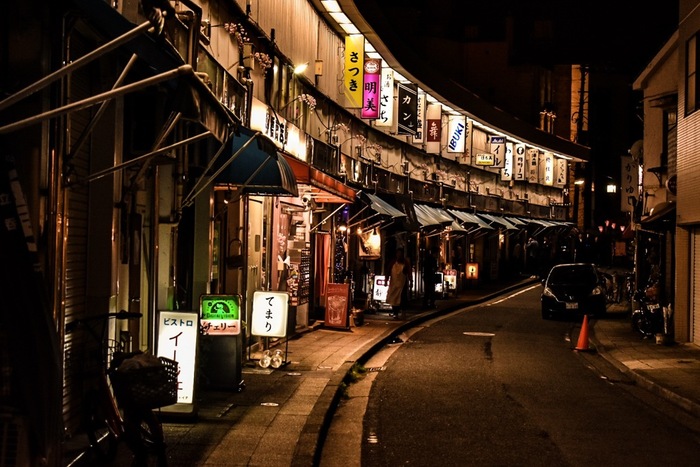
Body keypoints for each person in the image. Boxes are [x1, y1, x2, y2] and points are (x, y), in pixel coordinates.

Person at [385, 247, 411, 319]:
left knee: (403, 298)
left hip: (402, 284)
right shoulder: (393, 262)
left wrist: (411, 281)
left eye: (400, 253)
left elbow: (409, 272)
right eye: (398, 253)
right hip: (394, 283)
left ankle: (403, 312)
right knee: (394, 299)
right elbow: (388, 272)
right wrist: (386, 280)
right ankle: (395, 313)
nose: (399, 255)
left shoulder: (405, 263)